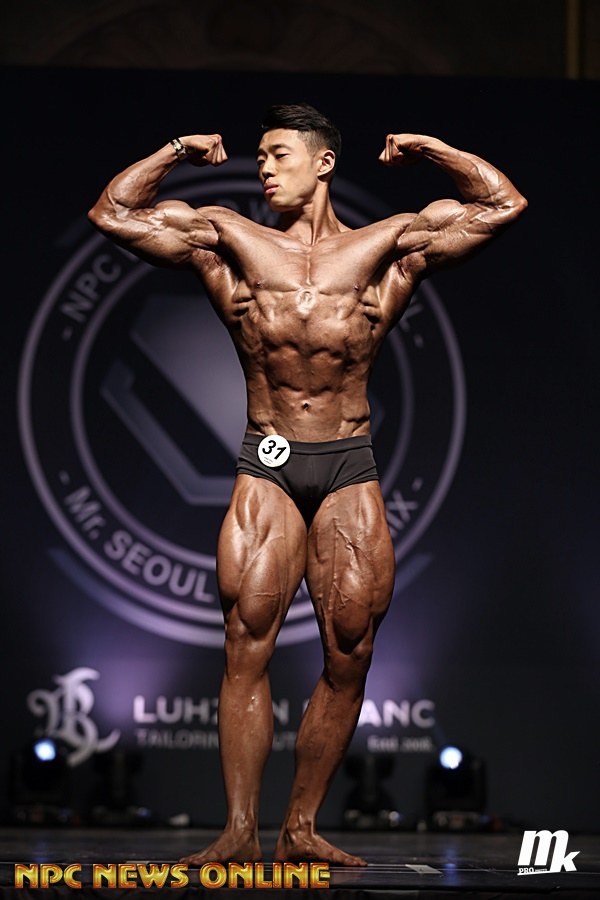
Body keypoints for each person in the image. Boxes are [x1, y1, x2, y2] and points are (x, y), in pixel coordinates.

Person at [89, 103, 526, 865]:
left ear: (323, 163)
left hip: (347, 462)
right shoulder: (227, 236)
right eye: (259, 155)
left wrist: (432, 147)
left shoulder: (389, 244)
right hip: (269, 462)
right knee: (246, 640)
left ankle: (300, 827)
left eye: (278, 154)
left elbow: (502, 205)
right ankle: (238, 831)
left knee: (350, 647)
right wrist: (176, 149)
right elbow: (113, 213)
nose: (263, 167)